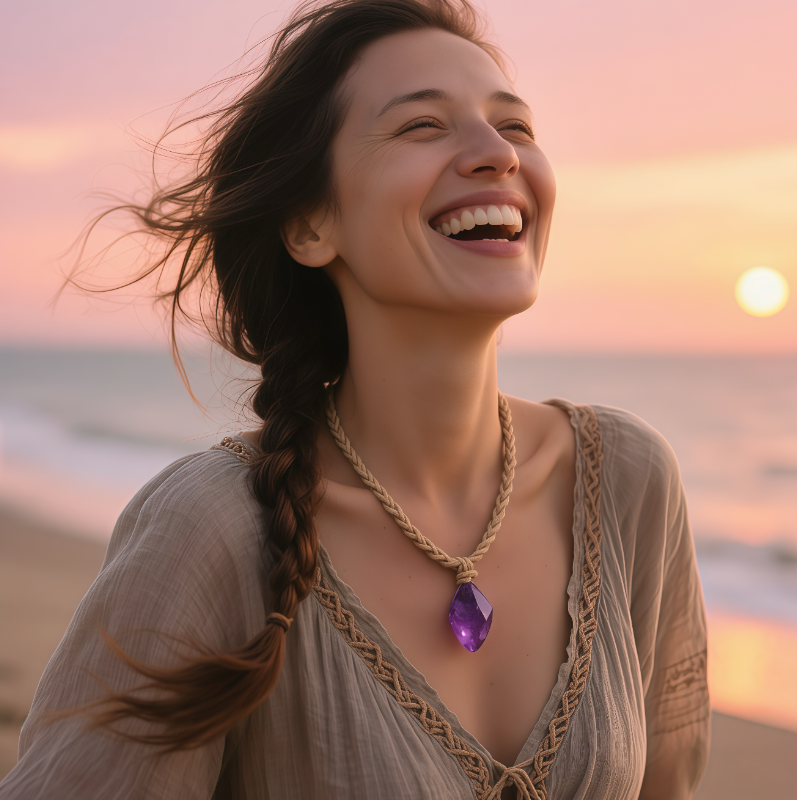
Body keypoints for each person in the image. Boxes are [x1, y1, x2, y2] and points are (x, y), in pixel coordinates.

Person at [0, 1, 710, 797]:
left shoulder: (628, 483)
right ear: (310, 226)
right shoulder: (213, 530)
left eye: (515, 126)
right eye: (422, 126)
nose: (497, 154)